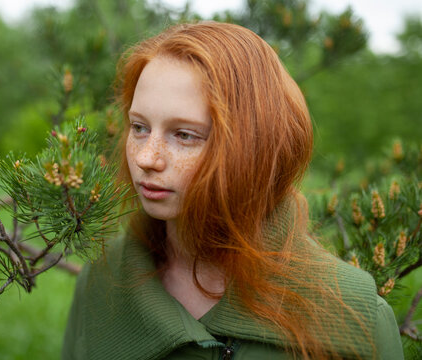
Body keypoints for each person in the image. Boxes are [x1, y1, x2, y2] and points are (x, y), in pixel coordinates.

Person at [61, 22, 403, 359]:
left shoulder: (351, 315)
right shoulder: (102, 283)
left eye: (184, 135)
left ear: (252, 146)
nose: (147, 158)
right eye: (139, 127)